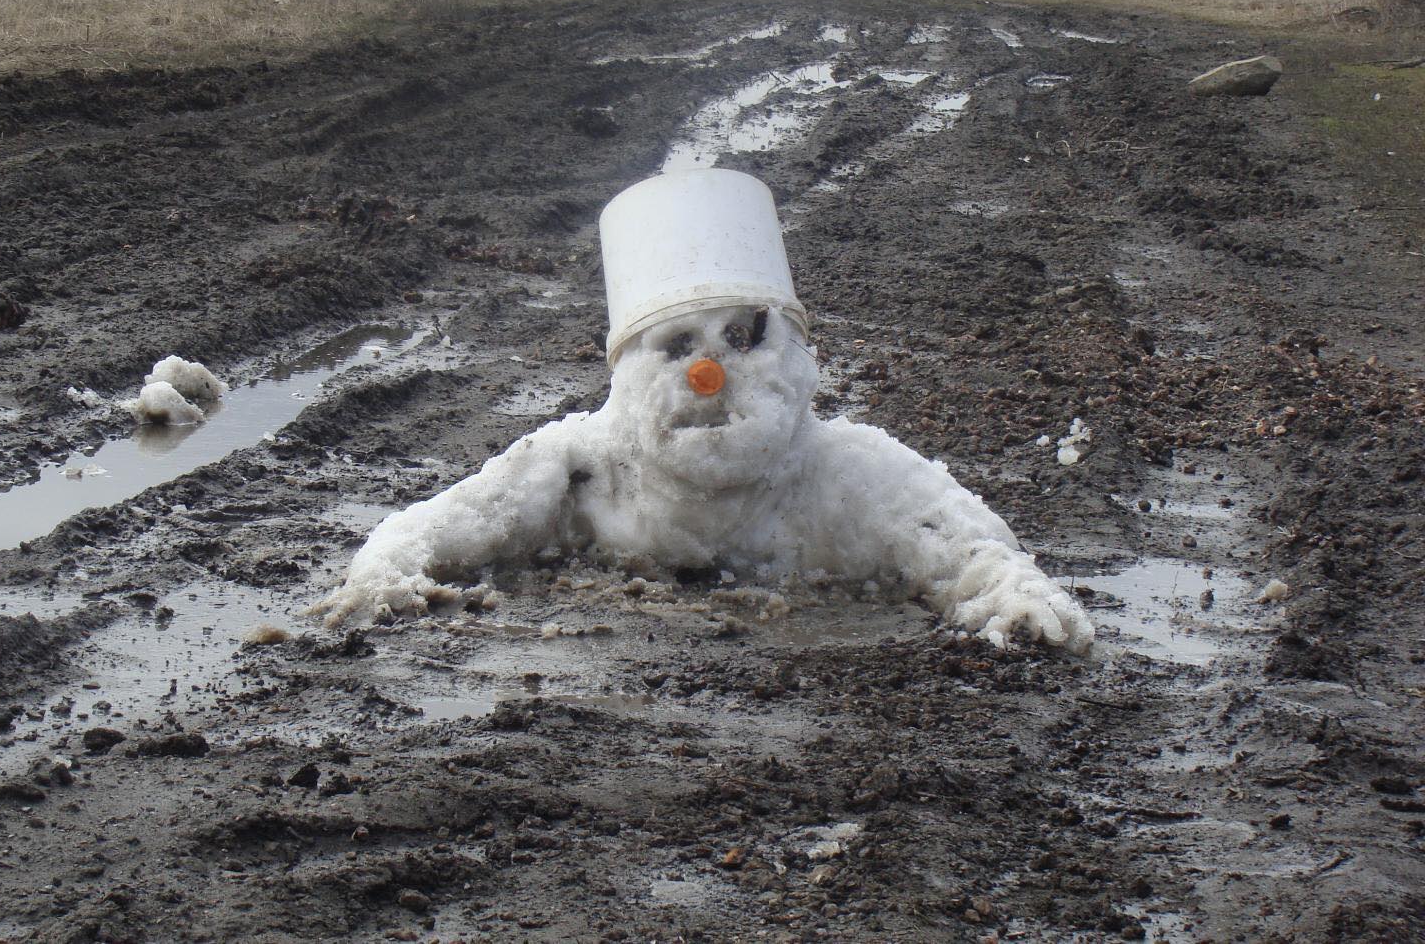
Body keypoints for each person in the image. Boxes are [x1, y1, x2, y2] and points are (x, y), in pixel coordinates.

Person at [314, 169, 1093, 652]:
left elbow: (962, 544)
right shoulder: (586, 467)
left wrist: (1013, 600)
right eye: (680, 343)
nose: (709, 370)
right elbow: (447, 523)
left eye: (738, 339)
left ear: (784, 347)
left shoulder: (843, 473)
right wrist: (386, 571)